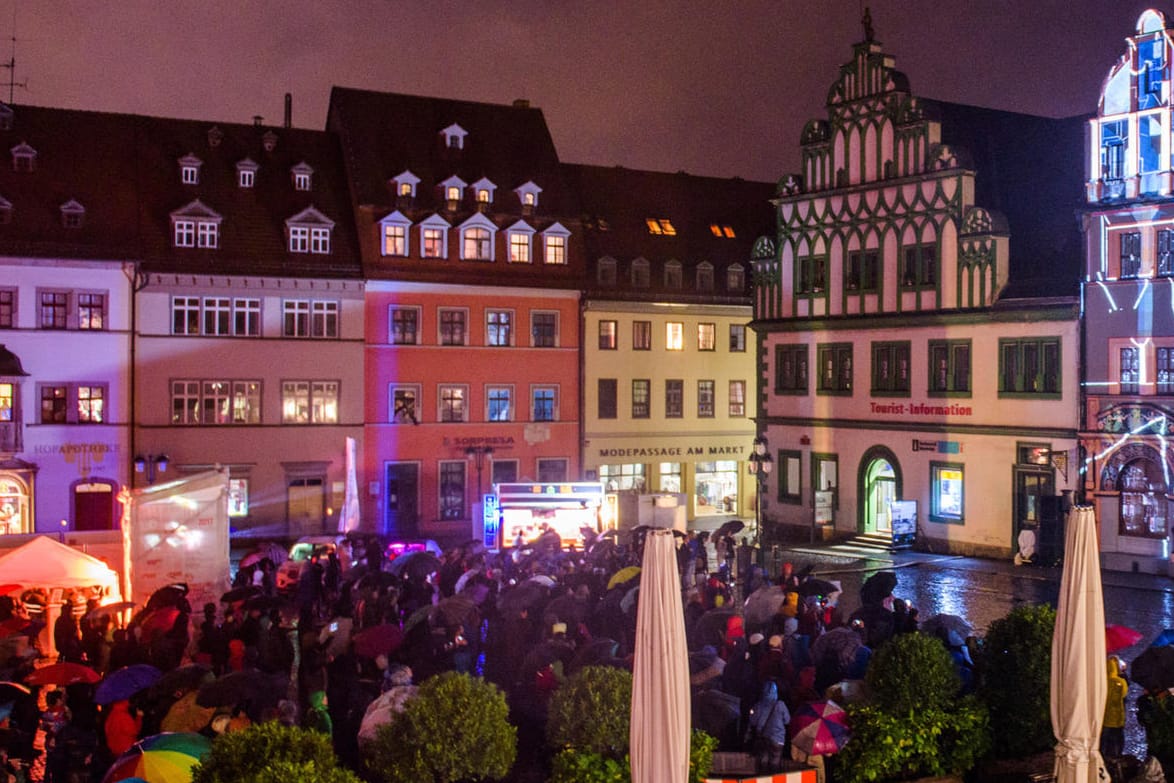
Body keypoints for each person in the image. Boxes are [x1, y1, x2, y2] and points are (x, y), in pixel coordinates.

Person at [745, 680, 790, 773]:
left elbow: (752, 721)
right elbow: (787, 720)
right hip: (778, 739)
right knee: (775, 762)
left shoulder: (758, 705)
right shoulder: (780, 704)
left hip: (763, 737)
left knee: (763, 762)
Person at [1101, 656, 1127, 759]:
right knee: (1117, 738)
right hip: (1117, 716)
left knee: (1103, 739)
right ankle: (1117, 756)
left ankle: (1102, 757)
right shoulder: (1120, 681)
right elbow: (1124, 694)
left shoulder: (1102, 681)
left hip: (1105, 716)